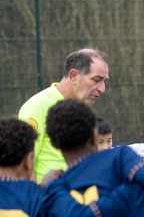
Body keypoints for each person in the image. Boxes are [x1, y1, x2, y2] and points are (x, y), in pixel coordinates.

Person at [18, 48, 109, 182]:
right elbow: (22, 165)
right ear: (74, 76)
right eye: (96, 80)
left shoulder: (83, 111)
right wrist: (40, 200)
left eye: (104, 82)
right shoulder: (38, 105)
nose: (102, 89)